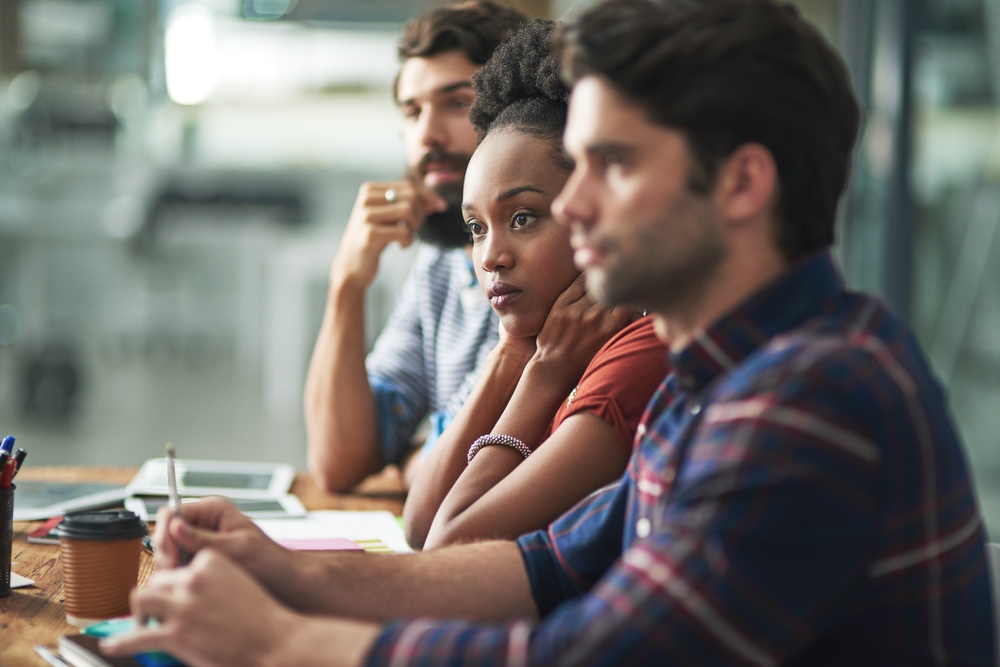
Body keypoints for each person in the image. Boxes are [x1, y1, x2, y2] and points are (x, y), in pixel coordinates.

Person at [105, 1, 995, 665]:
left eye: (612, 163)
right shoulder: (715, 380)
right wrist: (280, 569)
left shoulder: (810, 400)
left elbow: (584, 654)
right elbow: (534, 568)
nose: (571, 202)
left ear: (741, 184)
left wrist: (277, 641)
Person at [402, 19, 667, 550]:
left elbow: (445, 549)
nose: (491, 257)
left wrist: (545, 371)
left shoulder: (639, 348)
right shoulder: (550, 339)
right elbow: (418, 522)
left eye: (523, 217)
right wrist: (511, 352)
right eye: (476, 229)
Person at [305, 1, 526, 493]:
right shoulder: (442, 258)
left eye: (456, 103)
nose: (427, 134)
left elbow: (457, 478)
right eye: (412, 110)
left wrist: (409, 462)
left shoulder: (546, 263)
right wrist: (348, 283)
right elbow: (339, 461)